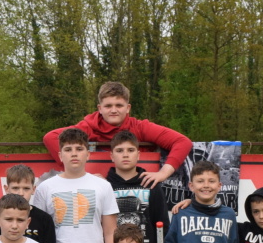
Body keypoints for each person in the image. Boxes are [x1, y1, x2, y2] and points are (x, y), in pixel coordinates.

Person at [42, 81, 192, 189]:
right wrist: (81, 174)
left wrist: (163, 173)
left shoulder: (140, 127)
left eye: (119, 105)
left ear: (128, 108)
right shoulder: (87, 127)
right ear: (100, 108)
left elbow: (182, 141)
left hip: (135, 188)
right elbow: (51, 137)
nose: (113, 110)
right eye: (108, 106)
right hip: (96, 190)